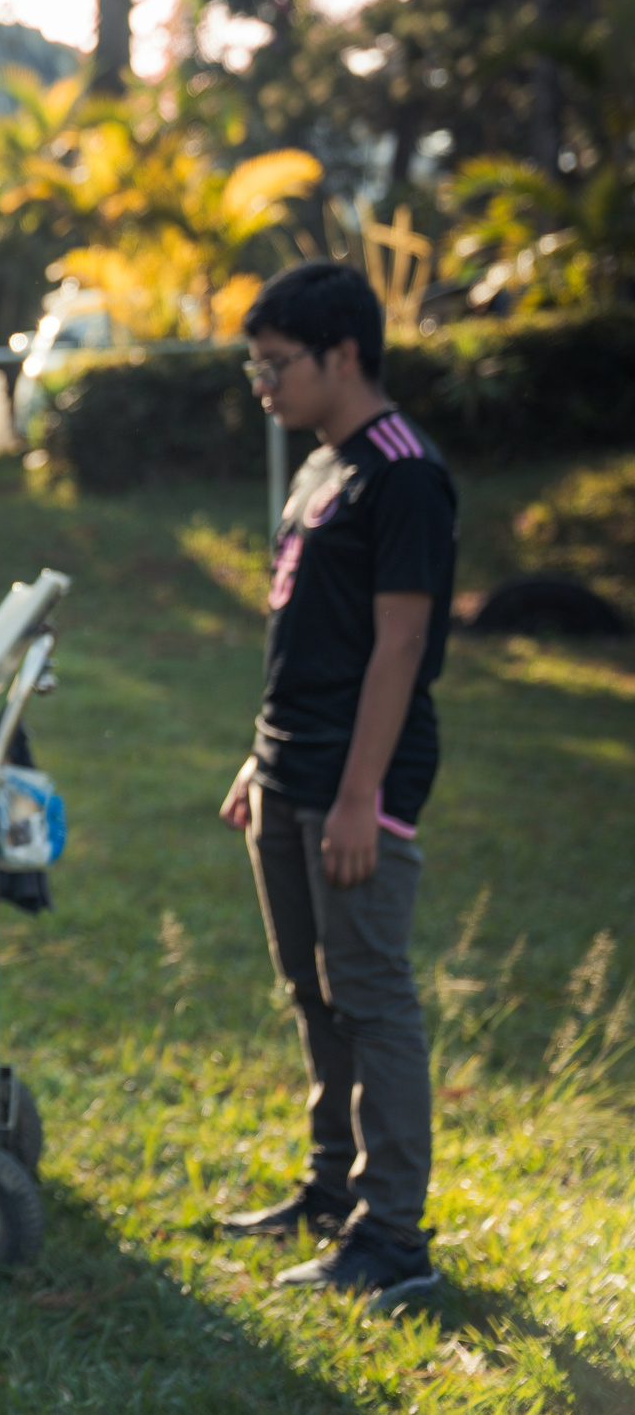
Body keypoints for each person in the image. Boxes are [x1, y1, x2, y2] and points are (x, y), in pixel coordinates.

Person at [215, 260, 454, 1307]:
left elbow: (400, 647)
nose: (261, 385)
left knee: (370, 995)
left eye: (275, 365)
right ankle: (331, 1187)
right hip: (288, 767)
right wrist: (259, 755)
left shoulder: (403, 473)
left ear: (343, 354)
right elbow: (307, 636)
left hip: (356, 782)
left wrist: (359, 797)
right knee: (311, 991)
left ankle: (392, 1235)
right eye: (255, 366)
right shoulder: (320, 465)